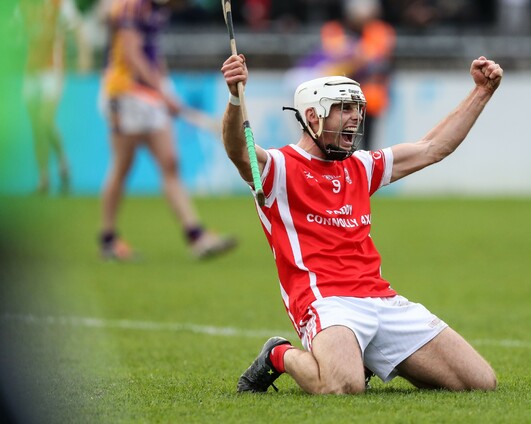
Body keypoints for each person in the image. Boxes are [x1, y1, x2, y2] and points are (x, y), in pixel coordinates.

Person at [220, 53, 503, 394]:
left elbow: (432, 148)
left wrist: (482, 92)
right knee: (342, 386)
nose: (355, 118)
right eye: (343, 109)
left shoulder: (361, 165)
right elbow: (238, 149)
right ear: (312, 116)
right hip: (325, 300)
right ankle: (278, 354)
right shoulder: (279, 167)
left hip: (381, 298)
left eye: (357, 109)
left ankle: (368, 355)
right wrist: (235, 97)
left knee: (479, 382)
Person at [99, 0, 236, 260]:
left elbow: (154, 53)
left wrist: (165, 87)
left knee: (170, 162)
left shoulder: (158, 9)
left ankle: (196, 235)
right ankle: (108, 239)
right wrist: (162, 93)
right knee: (122, 166)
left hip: (151, 94)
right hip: (125, 92)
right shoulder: (131, 6)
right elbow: (132, 54)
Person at [287, 0, 394, 151]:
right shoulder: (336, 31)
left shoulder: (378, 32)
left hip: (369, 98)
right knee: (339, 141)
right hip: (341, 98)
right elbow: (331, 60)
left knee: (364, 143)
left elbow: (381, 64)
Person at [19, 0, 91, 195]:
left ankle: (63, 161)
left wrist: (83, 57)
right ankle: (43, 177)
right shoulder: (24, 4)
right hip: (30, 69)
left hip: (53, 70)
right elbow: (16, 29)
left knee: (45, 120)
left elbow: (77, 28)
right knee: (36, 126)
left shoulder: (60, 4)